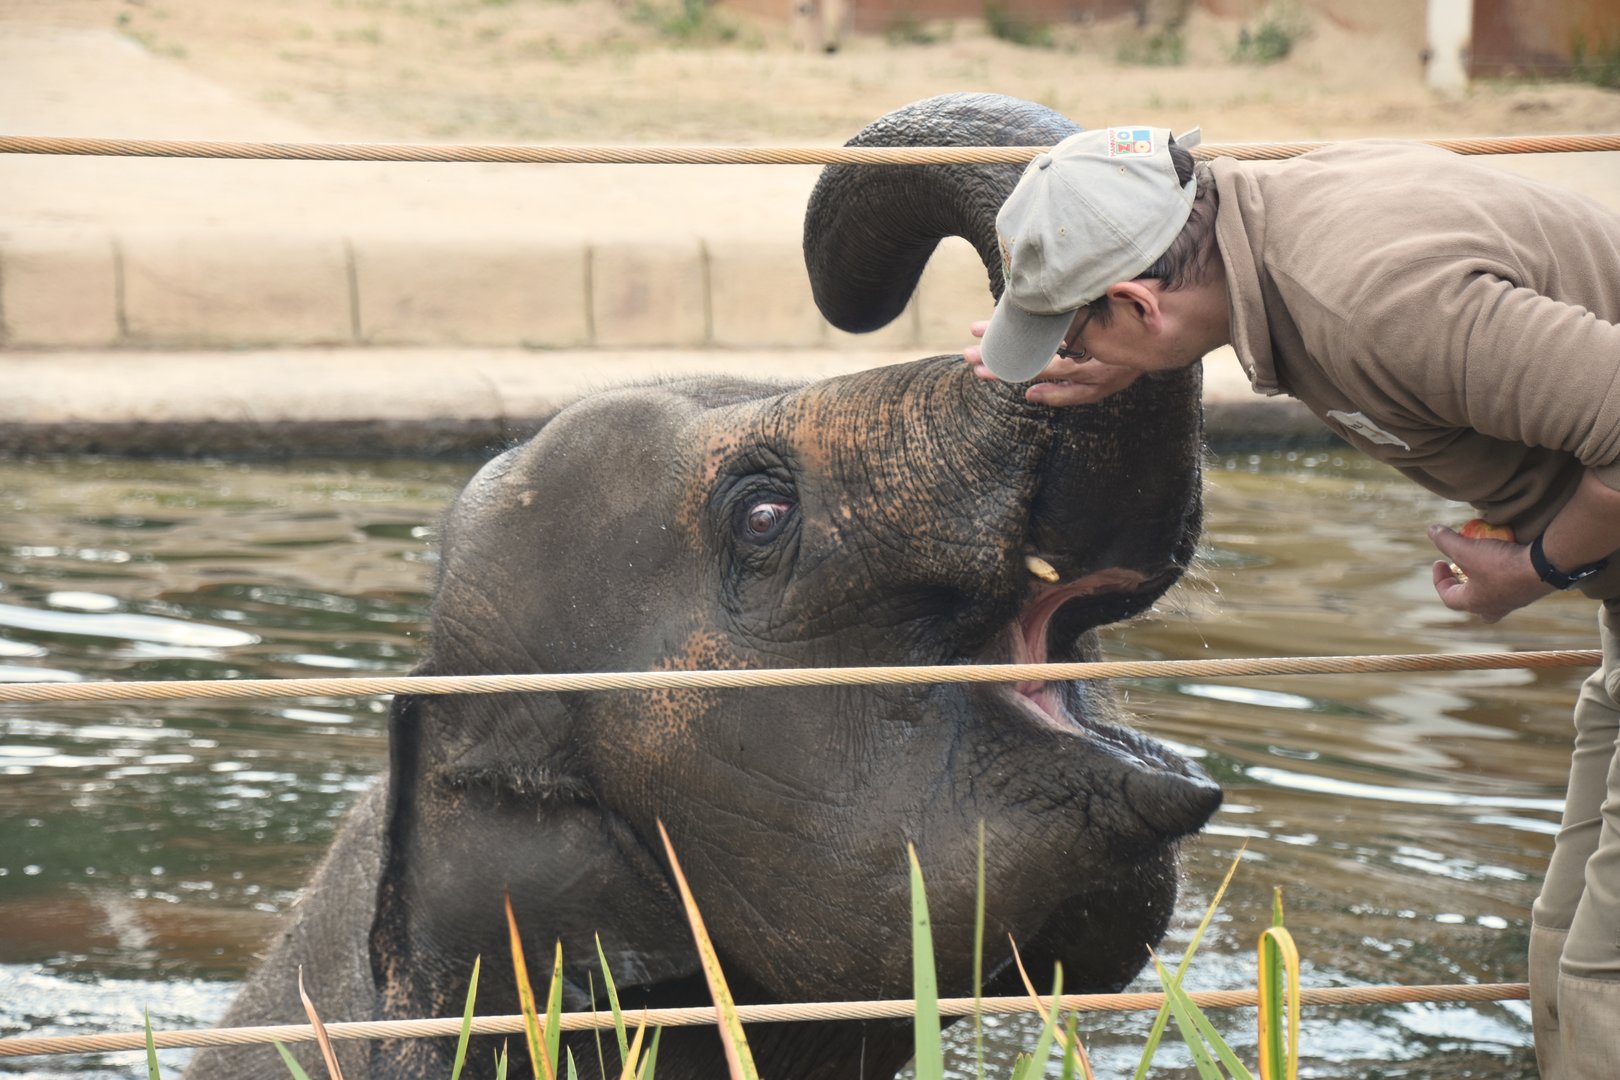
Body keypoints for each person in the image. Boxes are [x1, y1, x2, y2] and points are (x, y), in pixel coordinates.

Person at [965, 125, 1620, 1077]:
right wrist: (1128, 354)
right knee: (1564, 950)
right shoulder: (1276, 220)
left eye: (1069, 332)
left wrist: (1539, 568)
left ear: (1140, 303)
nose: (1066, 353)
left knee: (1605, 978)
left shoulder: (1377, 302)